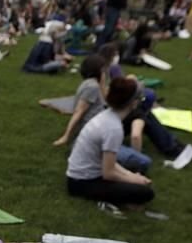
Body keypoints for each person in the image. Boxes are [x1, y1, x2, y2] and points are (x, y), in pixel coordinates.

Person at [66, 77, 154, 206]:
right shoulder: (113, 128)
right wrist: (134, 180)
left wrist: (130, 175)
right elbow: (108, 173)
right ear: (133, 103)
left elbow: (108, 162)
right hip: (82, 183)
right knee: (146, 193)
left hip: (78, 176)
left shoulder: (107, 115)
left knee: (136, 176)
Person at [54, 55, 109, 146]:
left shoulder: (91, 83)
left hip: (97, 127)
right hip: (93, 131)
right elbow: (79, 111)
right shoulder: (92, 87)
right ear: (97, 70)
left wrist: (102, 83)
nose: (105, 72)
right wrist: (66, 136)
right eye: (103, 70)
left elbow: (105, 100)